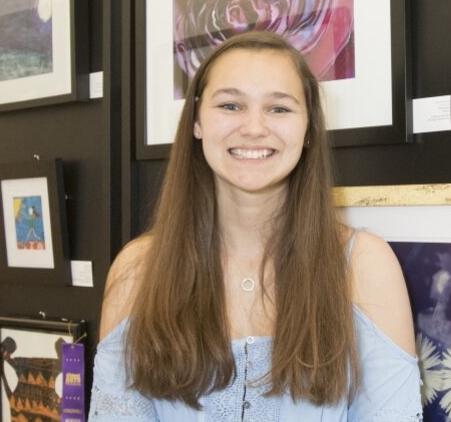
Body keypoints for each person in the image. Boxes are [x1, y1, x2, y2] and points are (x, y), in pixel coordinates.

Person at [88, 31, 422, 421]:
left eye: (279, 109)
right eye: (230, 105)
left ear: (309, 127)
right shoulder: (136, 270)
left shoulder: (365, 265)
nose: (253, 127)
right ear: (196, 120)